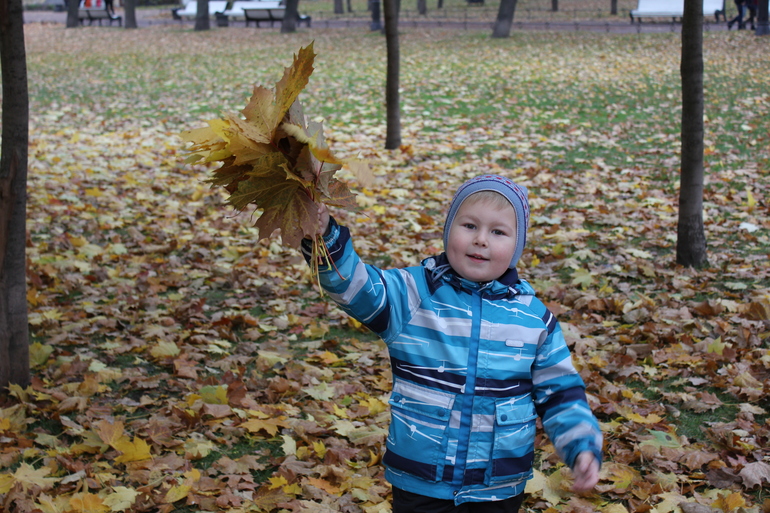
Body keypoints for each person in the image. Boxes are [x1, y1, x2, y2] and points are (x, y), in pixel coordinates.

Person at [301, 174, 603, 512]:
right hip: (420, 482)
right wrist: (325, 237)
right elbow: (355, 287)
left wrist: (581, 445)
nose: (481, 240)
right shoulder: (413, 295)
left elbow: (561, 392)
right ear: (448, 230)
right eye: (469, 226)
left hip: (498, 487)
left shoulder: (533, 320)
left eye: (498, 232)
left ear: (517, 246)